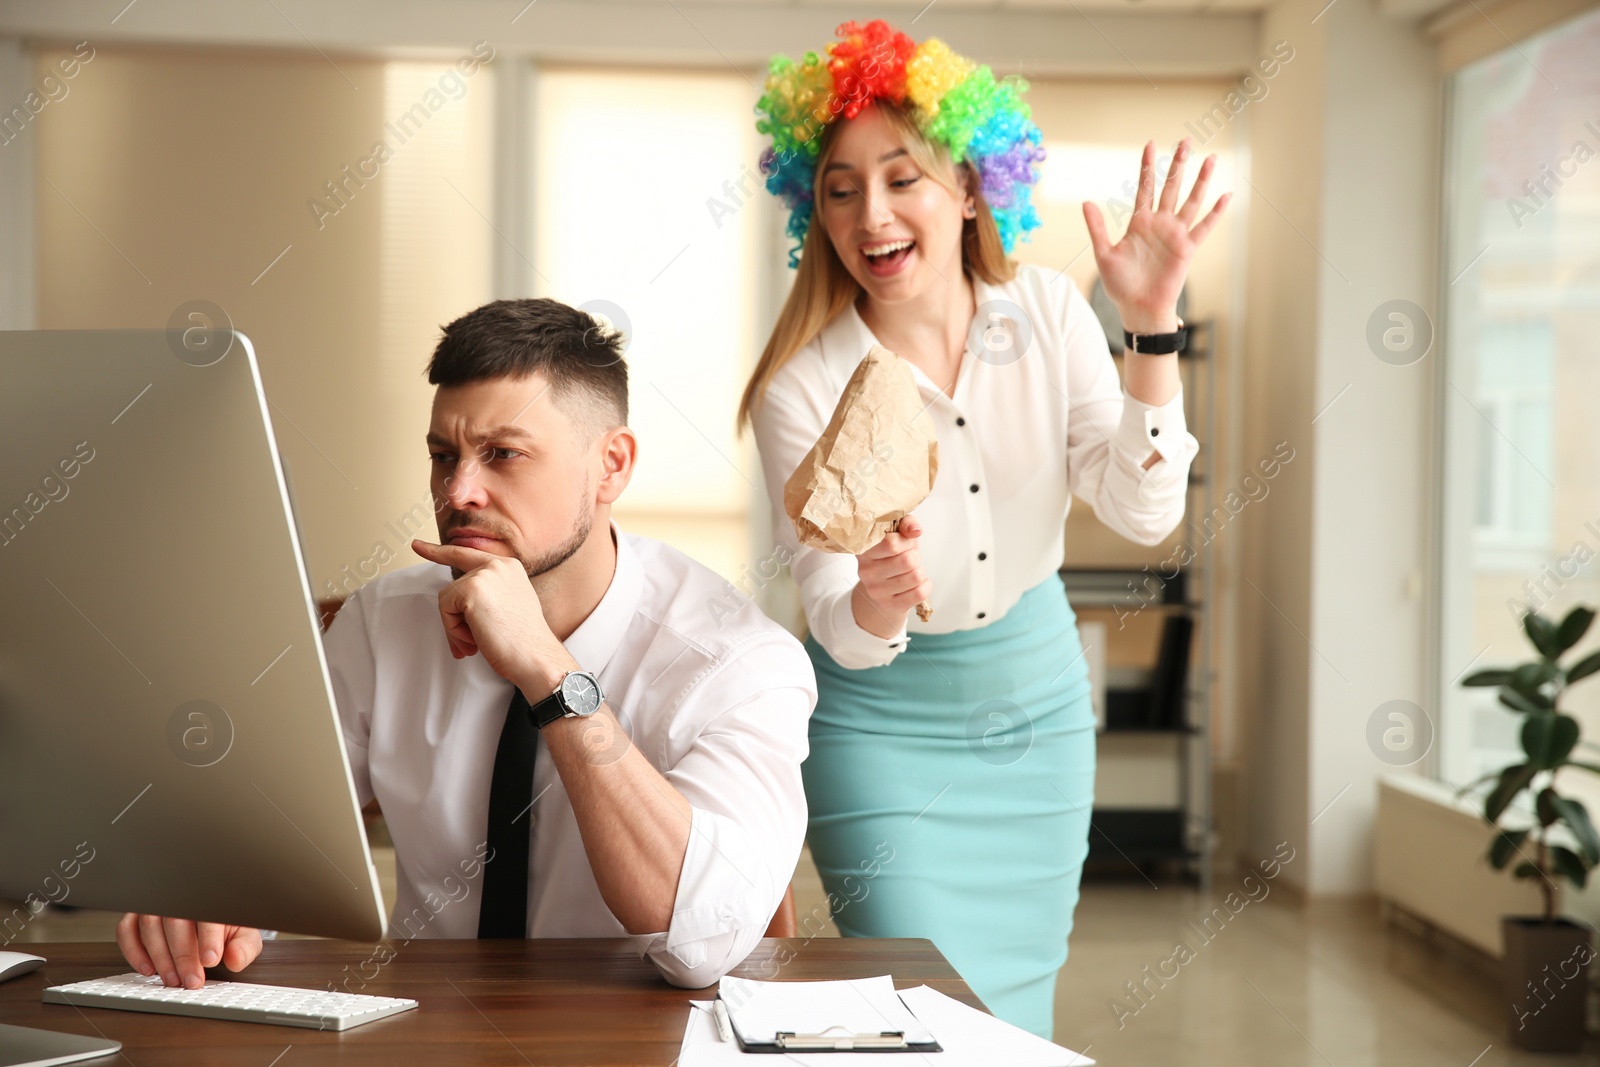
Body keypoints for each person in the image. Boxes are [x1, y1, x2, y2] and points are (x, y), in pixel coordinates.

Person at [741, 20, 1227, 1039]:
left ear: (968, 187)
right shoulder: (804, 386)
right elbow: (834, 616)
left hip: (1035, 715)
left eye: (901, 175)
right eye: (839, 187)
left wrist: (1148, 330)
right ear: (813, 209)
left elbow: (1143, 513)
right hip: (879, 726)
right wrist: (873, 591)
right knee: (925, 1015)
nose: (869, 212)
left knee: (1015, 1018)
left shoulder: (1049, 315)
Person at [116, 298, 817, 990]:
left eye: (502, 454)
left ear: (612, 464)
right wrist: (207, 898)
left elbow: (697, 941)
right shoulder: (383, 622)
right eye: (443, 455)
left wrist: (546, 667)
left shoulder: (739, 660)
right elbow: (266, 838)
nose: (459, 491)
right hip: (424, 1031)